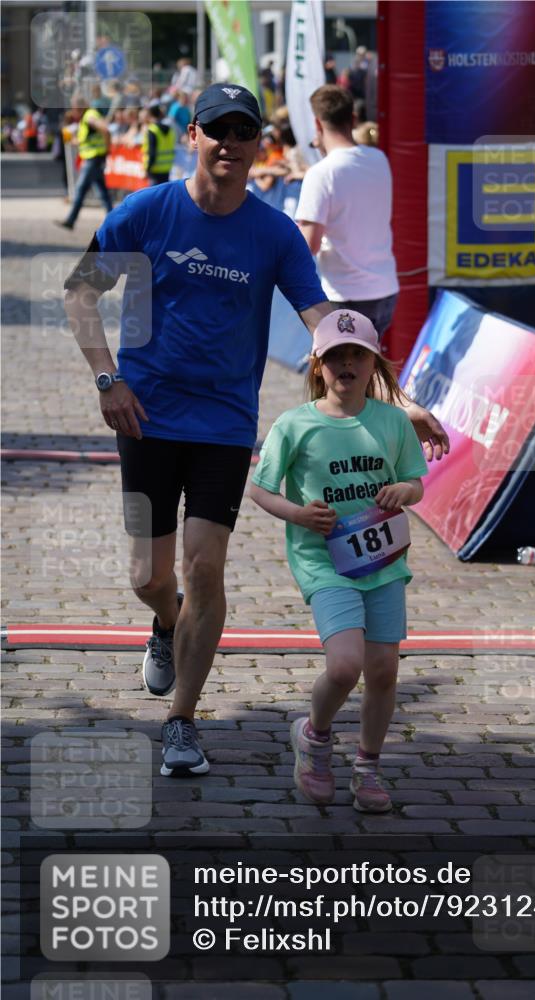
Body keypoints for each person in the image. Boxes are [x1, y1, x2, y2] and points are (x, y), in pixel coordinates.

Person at [62, 82, 448, 779]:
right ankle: (164, 621)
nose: (231, 144)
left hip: (223, 425)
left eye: (244, 132)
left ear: (255, 145)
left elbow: (326, 322)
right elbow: (80, 290)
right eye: (219, 130)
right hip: (144, 416)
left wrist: (400, 398)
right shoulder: (145, 212)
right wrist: (106, 379)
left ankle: (181, 719)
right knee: (148, 577)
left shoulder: (271, 233)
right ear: (194, 135)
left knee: (204, 563)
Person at [250, 310, 427, 812]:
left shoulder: (393, 421)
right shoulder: (294, 424)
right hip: (325, 562)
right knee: (346, 665)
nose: (346, 363)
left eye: (357, 355)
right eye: (335, 356)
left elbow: (416, 480)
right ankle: (315, 736)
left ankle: (368, 765)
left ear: (374, 363)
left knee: (385, 670)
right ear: (317, 366)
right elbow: (261, 490)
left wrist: (403, 490)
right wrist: (300, 514)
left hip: (385, 558)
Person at [296, 85, 399, 337]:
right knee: (370, 372)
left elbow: (307, 245)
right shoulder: (379, 159)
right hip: (384, 290)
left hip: (345, 296)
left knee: (341, 377)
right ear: (352, 119)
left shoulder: (321, 173)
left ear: (317, 125)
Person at [56, 100, 113, 230]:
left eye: (73, 109)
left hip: (93, 159)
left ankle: (71, 220)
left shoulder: (89, 116)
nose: (72, 112)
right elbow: (84, 141)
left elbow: (105, 130)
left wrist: (107, 150)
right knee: (102, 193)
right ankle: (113, 219)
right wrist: (70, 137)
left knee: (80, 190)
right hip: (93, 159)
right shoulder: (86, 118)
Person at [142, 103, 176, 185]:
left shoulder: (152, 130)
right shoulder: (170, 129)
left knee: (154, 196)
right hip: (167, 168)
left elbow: (152, 153)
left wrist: (147, 169)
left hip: (155, 170)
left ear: (150, 115)